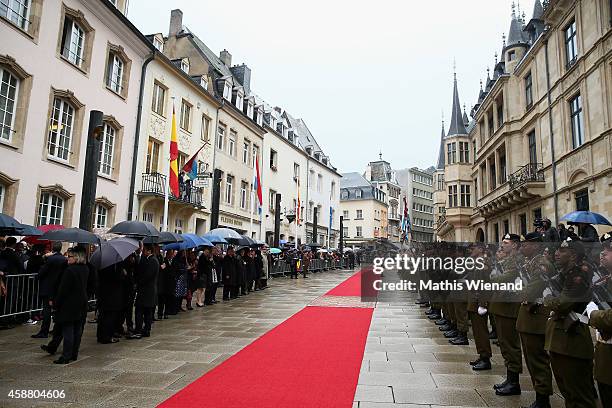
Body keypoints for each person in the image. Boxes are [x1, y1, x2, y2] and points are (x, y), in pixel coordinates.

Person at [544, 238, 596, 407]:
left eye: (562, 251)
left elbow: (562, 304)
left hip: (573, 341)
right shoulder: (565, 273)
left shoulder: (579, 274)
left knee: (579, 396)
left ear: (573, 255)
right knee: (568, 393)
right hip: (561, 340)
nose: (556, 253)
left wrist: (547, 298)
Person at [516, 232, 556, 408]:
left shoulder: (541, 264)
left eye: (525, 245)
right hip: (528, 317)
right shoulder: (530, 263)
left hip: (536, 318)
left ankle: (543, 398)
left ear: (536, 246)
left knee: (538, 360)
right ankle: (539, 395)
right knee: (531, 359)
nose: (522, 247)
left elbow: (530, 291)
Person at [41, 247, 89, 364]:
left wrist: (56, 302)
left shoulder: (70, 271)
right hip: (80, 302)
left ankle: (66, 355)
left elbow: (63, 289)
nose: (67, 258)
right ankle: (73, 353)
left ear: (76, 257)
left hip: (69, 303)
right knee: (77, 330)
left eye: (70, 256)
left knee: (68, 329)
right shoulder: (85, 268)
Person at [489, 234, 523, 396]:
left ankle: (514, 382)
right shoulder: (505, 260)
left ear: (515, 245)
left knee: (511, 345)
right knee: (504, 344)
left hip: (509, 308)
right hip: (500, 305)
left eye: (506, 243)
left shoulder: (516, 260)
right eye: (502, 242)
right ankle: (510, 379)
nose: (502, 245)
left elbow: (506, 278)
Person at [586, 241, 612, 407]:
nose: (602, 254)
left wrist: (593, 313)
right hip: (604, 353)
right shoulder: (605, 280)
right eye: (603, 250)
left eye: (608, 250)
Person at [32, 242, 66, 339]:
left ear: (52, 248)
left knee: (46, 310)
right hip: (58, 287)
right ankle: (56, 329)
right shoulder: (64, 259)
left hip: (48, 287)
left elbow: (42, 272)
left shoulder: (50, 259)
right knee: (57, 309)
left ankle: (44, 331)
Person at [133, 244, 159, 338]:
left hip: (147, 291)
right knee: (147, 312)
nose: (143, 252)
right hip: (147, 291)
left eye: (144, 250)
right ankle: (145, 330)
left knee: (140, 311)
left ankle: (140, 330)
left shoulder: (152, 261)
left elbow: (147, 276)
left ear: (149, 251)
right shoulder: (149, 260)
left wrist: (138, 283)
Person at [96, 262, 124, 344]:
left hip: (102, 294)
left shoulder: (101, 264)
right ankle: (107, 337)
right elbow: (118, 278)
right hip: (111, 295)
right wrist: (122, 273)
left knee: (102, 315)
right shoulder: (115, 265)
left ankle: (100, 336)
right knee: (110, 316)